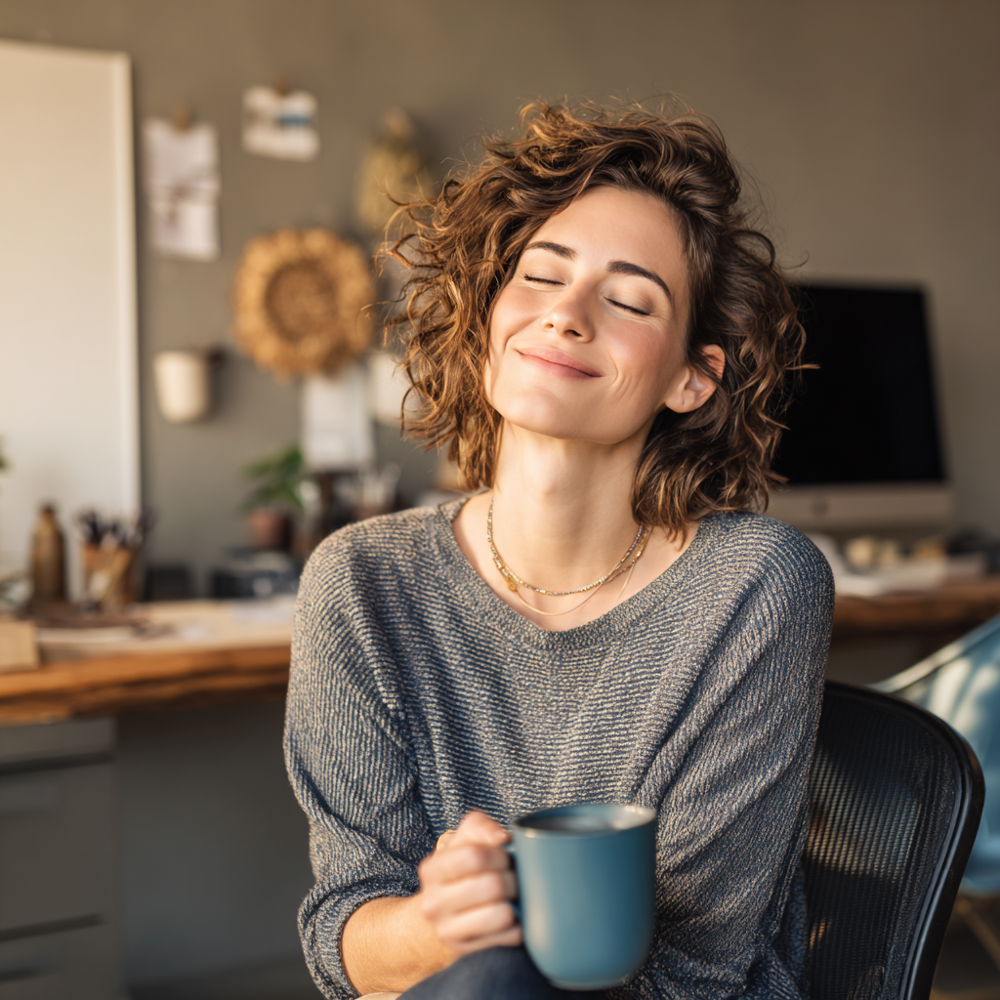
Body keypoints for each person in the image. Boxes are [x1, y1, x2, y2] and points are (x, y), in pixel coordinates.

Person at [284, 102, 834, 1000]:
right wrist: (430, 927)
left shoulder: (756, 588)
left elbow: (697, 969)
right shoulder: (361, 584)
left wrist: (496, 947)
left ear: (694, 376)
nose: (567, 316)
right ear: (485, 318)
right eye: (539, 277)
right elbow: (348, 941)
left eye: (627, 300)